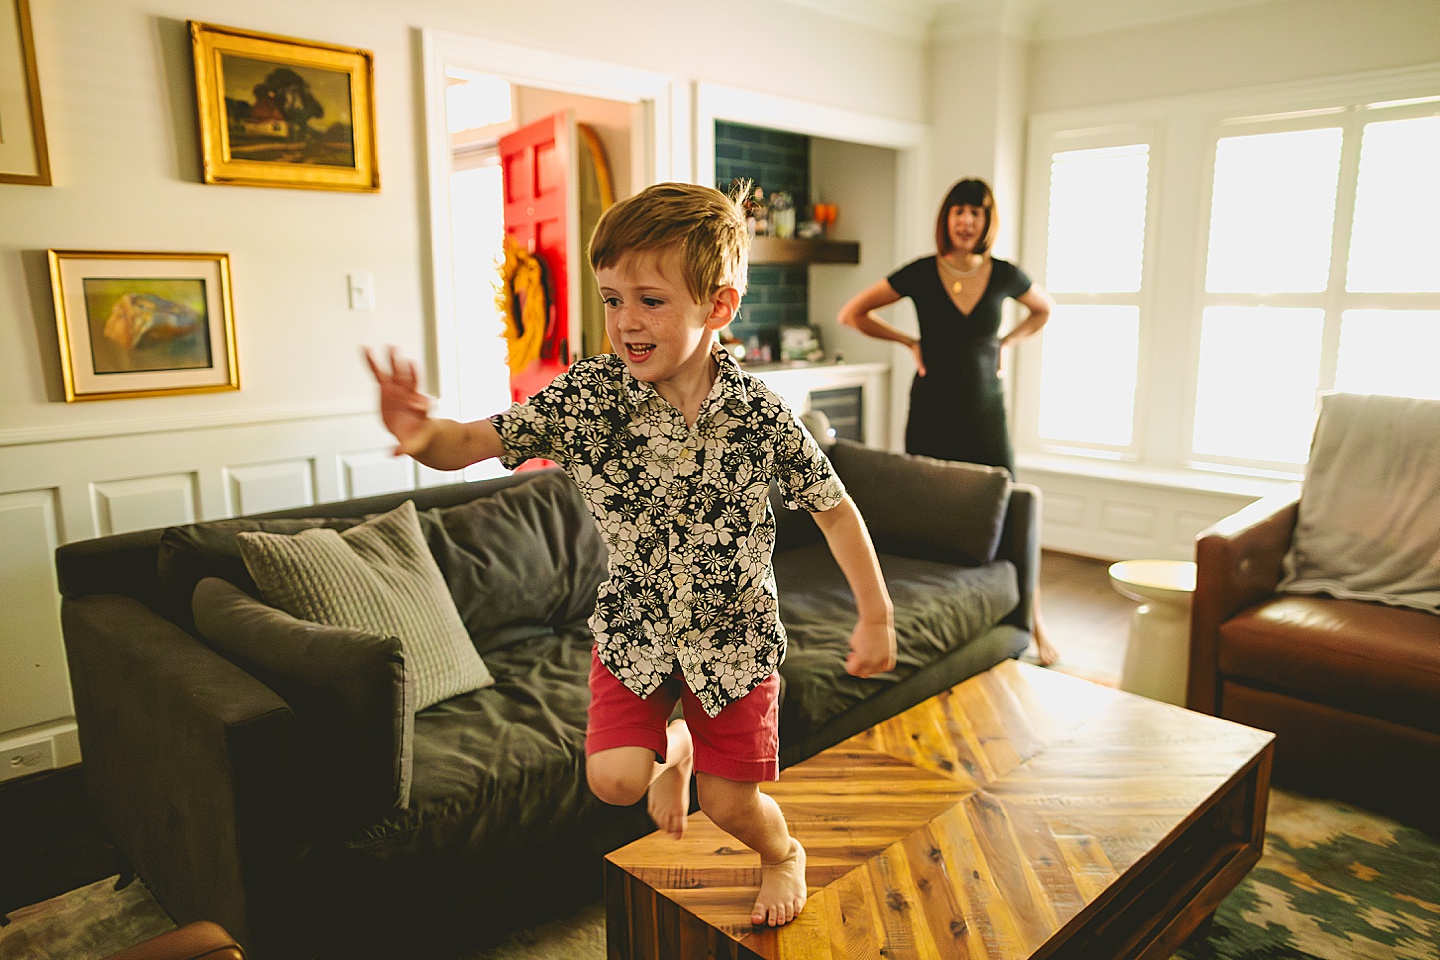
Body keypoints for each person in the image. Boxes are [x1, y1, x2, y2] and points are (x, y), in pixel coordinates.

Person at [366, 182, 897, 929]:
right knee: (615, 780)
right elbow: (470, 442)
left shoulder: (758, 413)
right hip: (636, 631)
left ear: (718, 306)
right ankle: (672, 746)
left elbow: (835, 511)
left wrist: (873, 615)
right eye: (612, 299)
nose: (625, 322)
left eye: (650, 300)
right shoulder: (588, 398)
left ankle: (783, 855)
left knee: (727, 802)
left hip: (735, 638)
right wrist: (424, 435)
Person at [836, 177, 1059, 666]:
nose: (967, 220)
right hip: (932, 407)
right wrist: (908, 343)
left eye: (976, 213)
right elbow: (853, 313)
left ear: (986, 222)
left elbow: (1042, 310)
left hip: (985, 409)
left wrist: (1006, 344)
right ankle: (924, 615)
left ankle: (1034, 621)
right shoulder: (920, 272)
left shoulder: (1004, 275)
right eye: (959, 211)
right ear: (947, 219)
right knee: (926, 513)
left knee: (1011, 513)